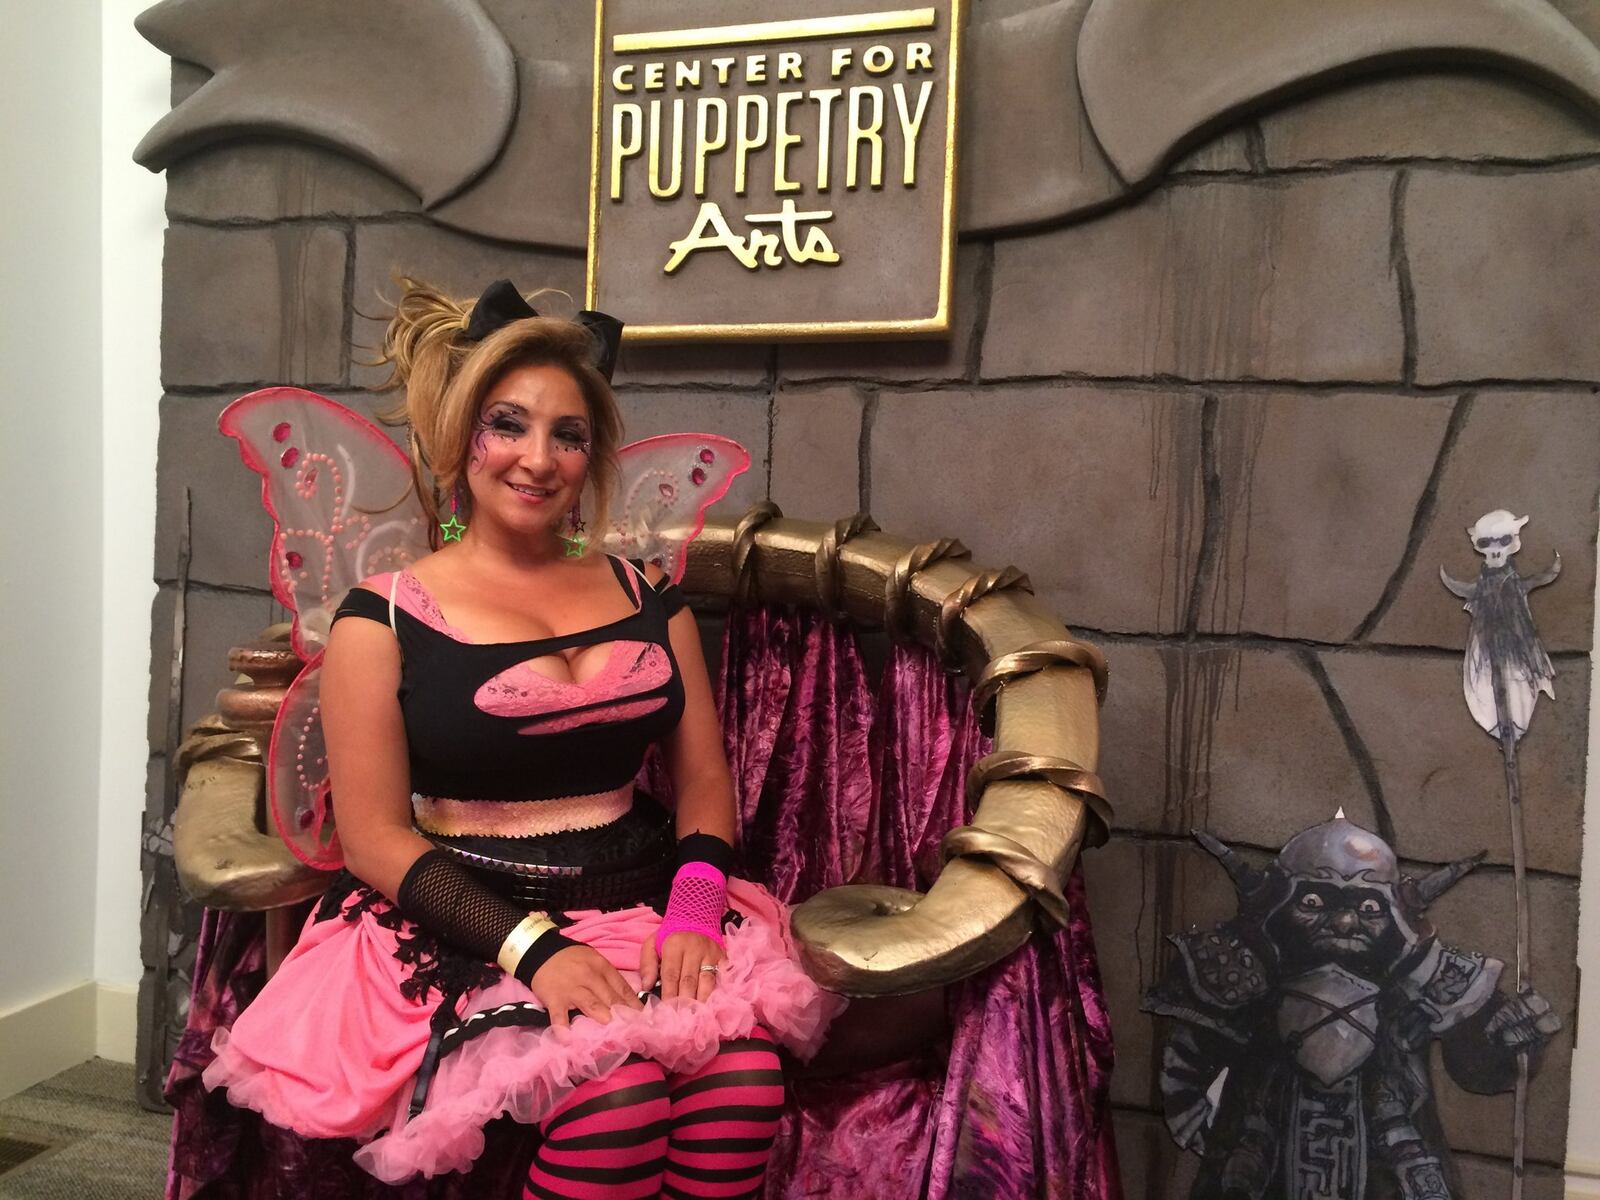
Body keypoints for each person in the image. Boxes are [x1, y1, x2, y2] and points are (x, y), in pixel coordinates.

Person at [202, 278, 840, 1197]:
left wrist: (697, 907)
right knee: (616, 1102)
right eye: (510, 424)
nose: (538, 460)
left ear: (594, 457)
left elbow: (704, 780)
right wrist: (535, 952)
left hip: (643, 906)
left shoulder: (648, 595)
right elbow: (376, 840)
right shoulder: (378, 618)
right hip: (470, 920)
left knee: (743, 1083)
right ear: (464, 440)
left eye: (568, 435)